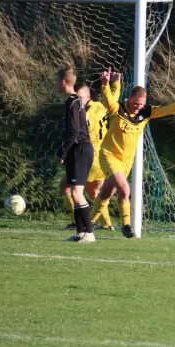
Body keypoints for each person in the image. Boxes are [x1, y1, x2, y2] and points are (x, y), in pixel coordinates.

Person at [91, 67, 175, 238]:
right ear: (129, 99)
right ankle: (126, 227)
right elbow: (109, 101)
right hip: (109, 155)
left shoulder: (146, 112)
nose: (137, 107)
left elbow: (168, 109)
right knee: (125, 190)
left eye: (140, 104)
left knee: (107, 193)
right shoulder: (117, 109)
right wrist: (105, 85)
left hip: (126, 161)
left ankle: (87, 225)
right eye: (135, 103)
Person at [60, 76, 121, 231]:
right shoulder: (101, 106)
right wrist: (115, 85)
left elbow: (79, 133)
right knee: (93, 192)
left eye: (80, 98)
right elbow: (112, 100)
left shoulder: (86, 113)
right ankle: (106, 225)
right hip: (100, 155)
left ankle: (80, 223)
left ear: (88, 97)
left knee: (71, 188)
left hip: (88, 155)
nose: (77, 101)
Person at [55, 64, 95, 243]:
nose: (55, 84)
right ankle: (80, 233)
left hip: (80, 148)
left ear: (63, 82)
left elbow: (75, 131)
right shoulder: (73, 101)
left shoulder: (73, 102)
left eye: (56, 80)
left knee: (78, 193)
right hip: (76, 149)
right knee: (72, 191)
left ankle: (90, 233)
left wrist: (62, 152)